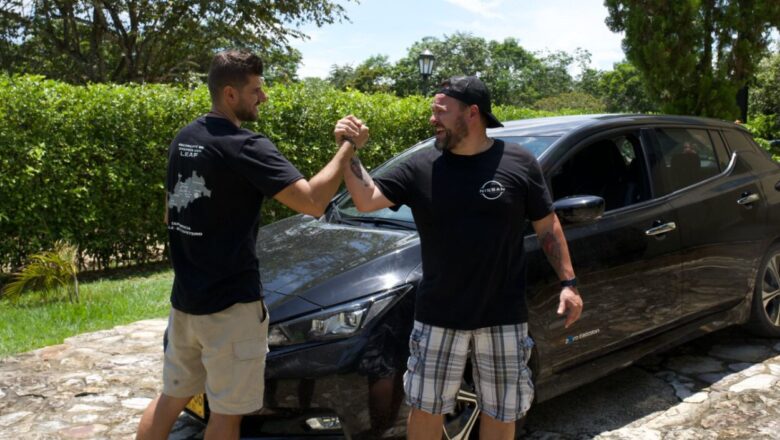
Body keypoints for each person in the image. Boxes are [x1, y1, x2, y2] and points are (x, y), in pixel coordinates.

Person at [136, 50, 367, 440]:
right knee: (227, 415)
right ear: (230, 94)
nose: (263, 98)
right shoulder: (245, 145)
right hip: (230, 309)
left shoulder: (185, 138)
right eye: (256, 90)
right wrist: (348, 146)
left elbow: (170, 213)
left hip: (185, 303)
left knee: (171, 398)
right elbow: (312, 202)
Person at [341, 76, 583, 439]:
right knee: (426, 408)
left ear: (472, 113)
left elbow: (547, 226)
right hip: (439, 315)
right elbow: (366, 198)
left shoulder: (518, 162)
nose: (432, 119)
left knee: (502, 412)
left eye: (441, 110)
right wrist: (349, 151)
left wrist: (569, 283)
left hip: (503, 315)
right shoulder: (421, 165)